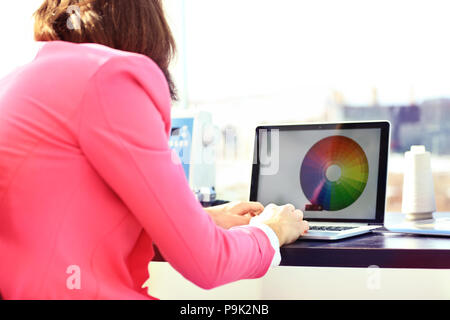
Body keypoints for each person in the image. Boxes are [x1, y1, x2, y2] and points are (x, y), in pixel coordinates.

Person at [0, 0, 308, 299]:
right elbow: (207, 262)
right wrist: (271, 231)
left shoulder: (18, 80)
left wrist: (201, 219)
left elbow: (62, 216)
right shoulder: (111, 76)